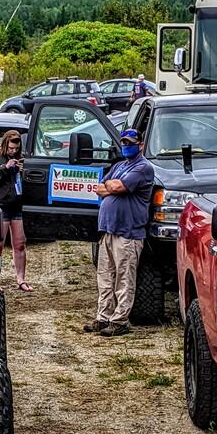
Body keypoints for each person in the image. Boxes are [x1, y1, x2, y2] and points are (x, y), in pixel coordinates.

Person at [84, 128, 154, 337]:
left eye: (131, 142)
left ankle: (120, 320)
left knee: (124, 278)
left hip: (128, 233)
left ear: (140, 145)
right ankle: (103, 316)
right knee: (105, 276)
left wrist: (112, 186)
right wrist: (111, 186)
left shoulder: (143, 168)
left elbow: (118, 186)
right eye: (124, 142)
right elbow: (101, 188)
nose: (126, 146)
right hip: (109, 230)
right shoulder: (119, 165)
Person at [0, 129, 33, 292]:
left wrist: (22, 169)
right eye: (11, 148)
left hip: (16, 205)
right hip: (0, 205)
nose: (13, 151)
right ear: (5, 144)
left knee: (20, 243)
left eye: (16, 149)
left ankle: (21, 279)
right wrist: (5, 168)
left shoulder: (20, 157)